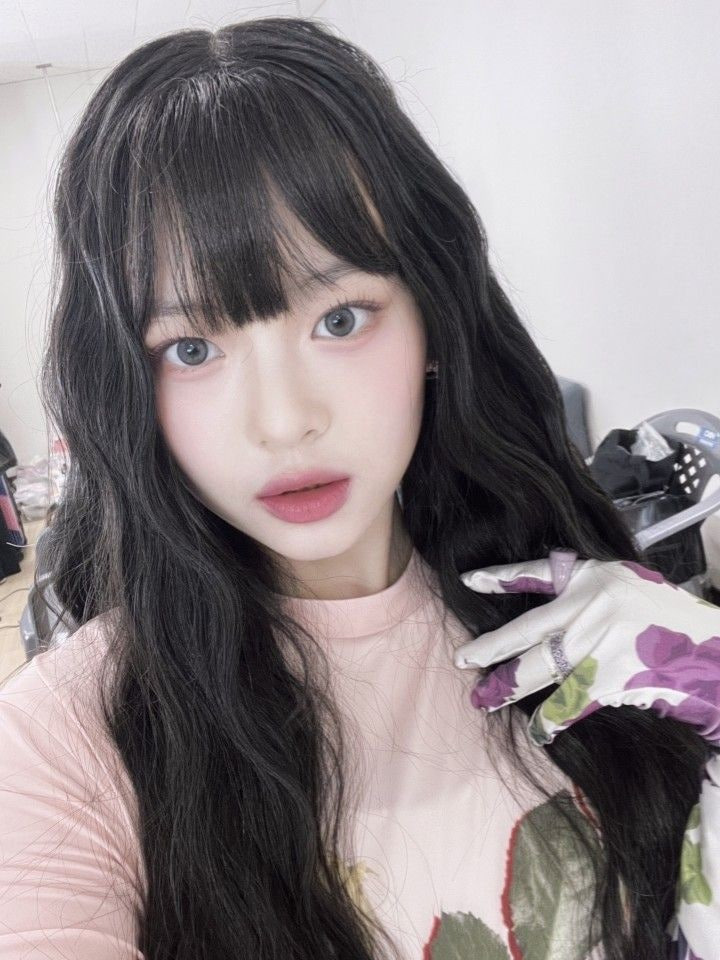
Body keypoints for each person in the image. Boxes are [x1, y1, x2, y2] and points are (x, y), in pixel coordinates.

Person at [0, 16, 714, 960]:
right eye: (192, 349)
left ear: (434, 320)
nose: (283, 420)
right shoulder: (65, 746)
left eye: (340, 318)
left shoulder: (578, 622)